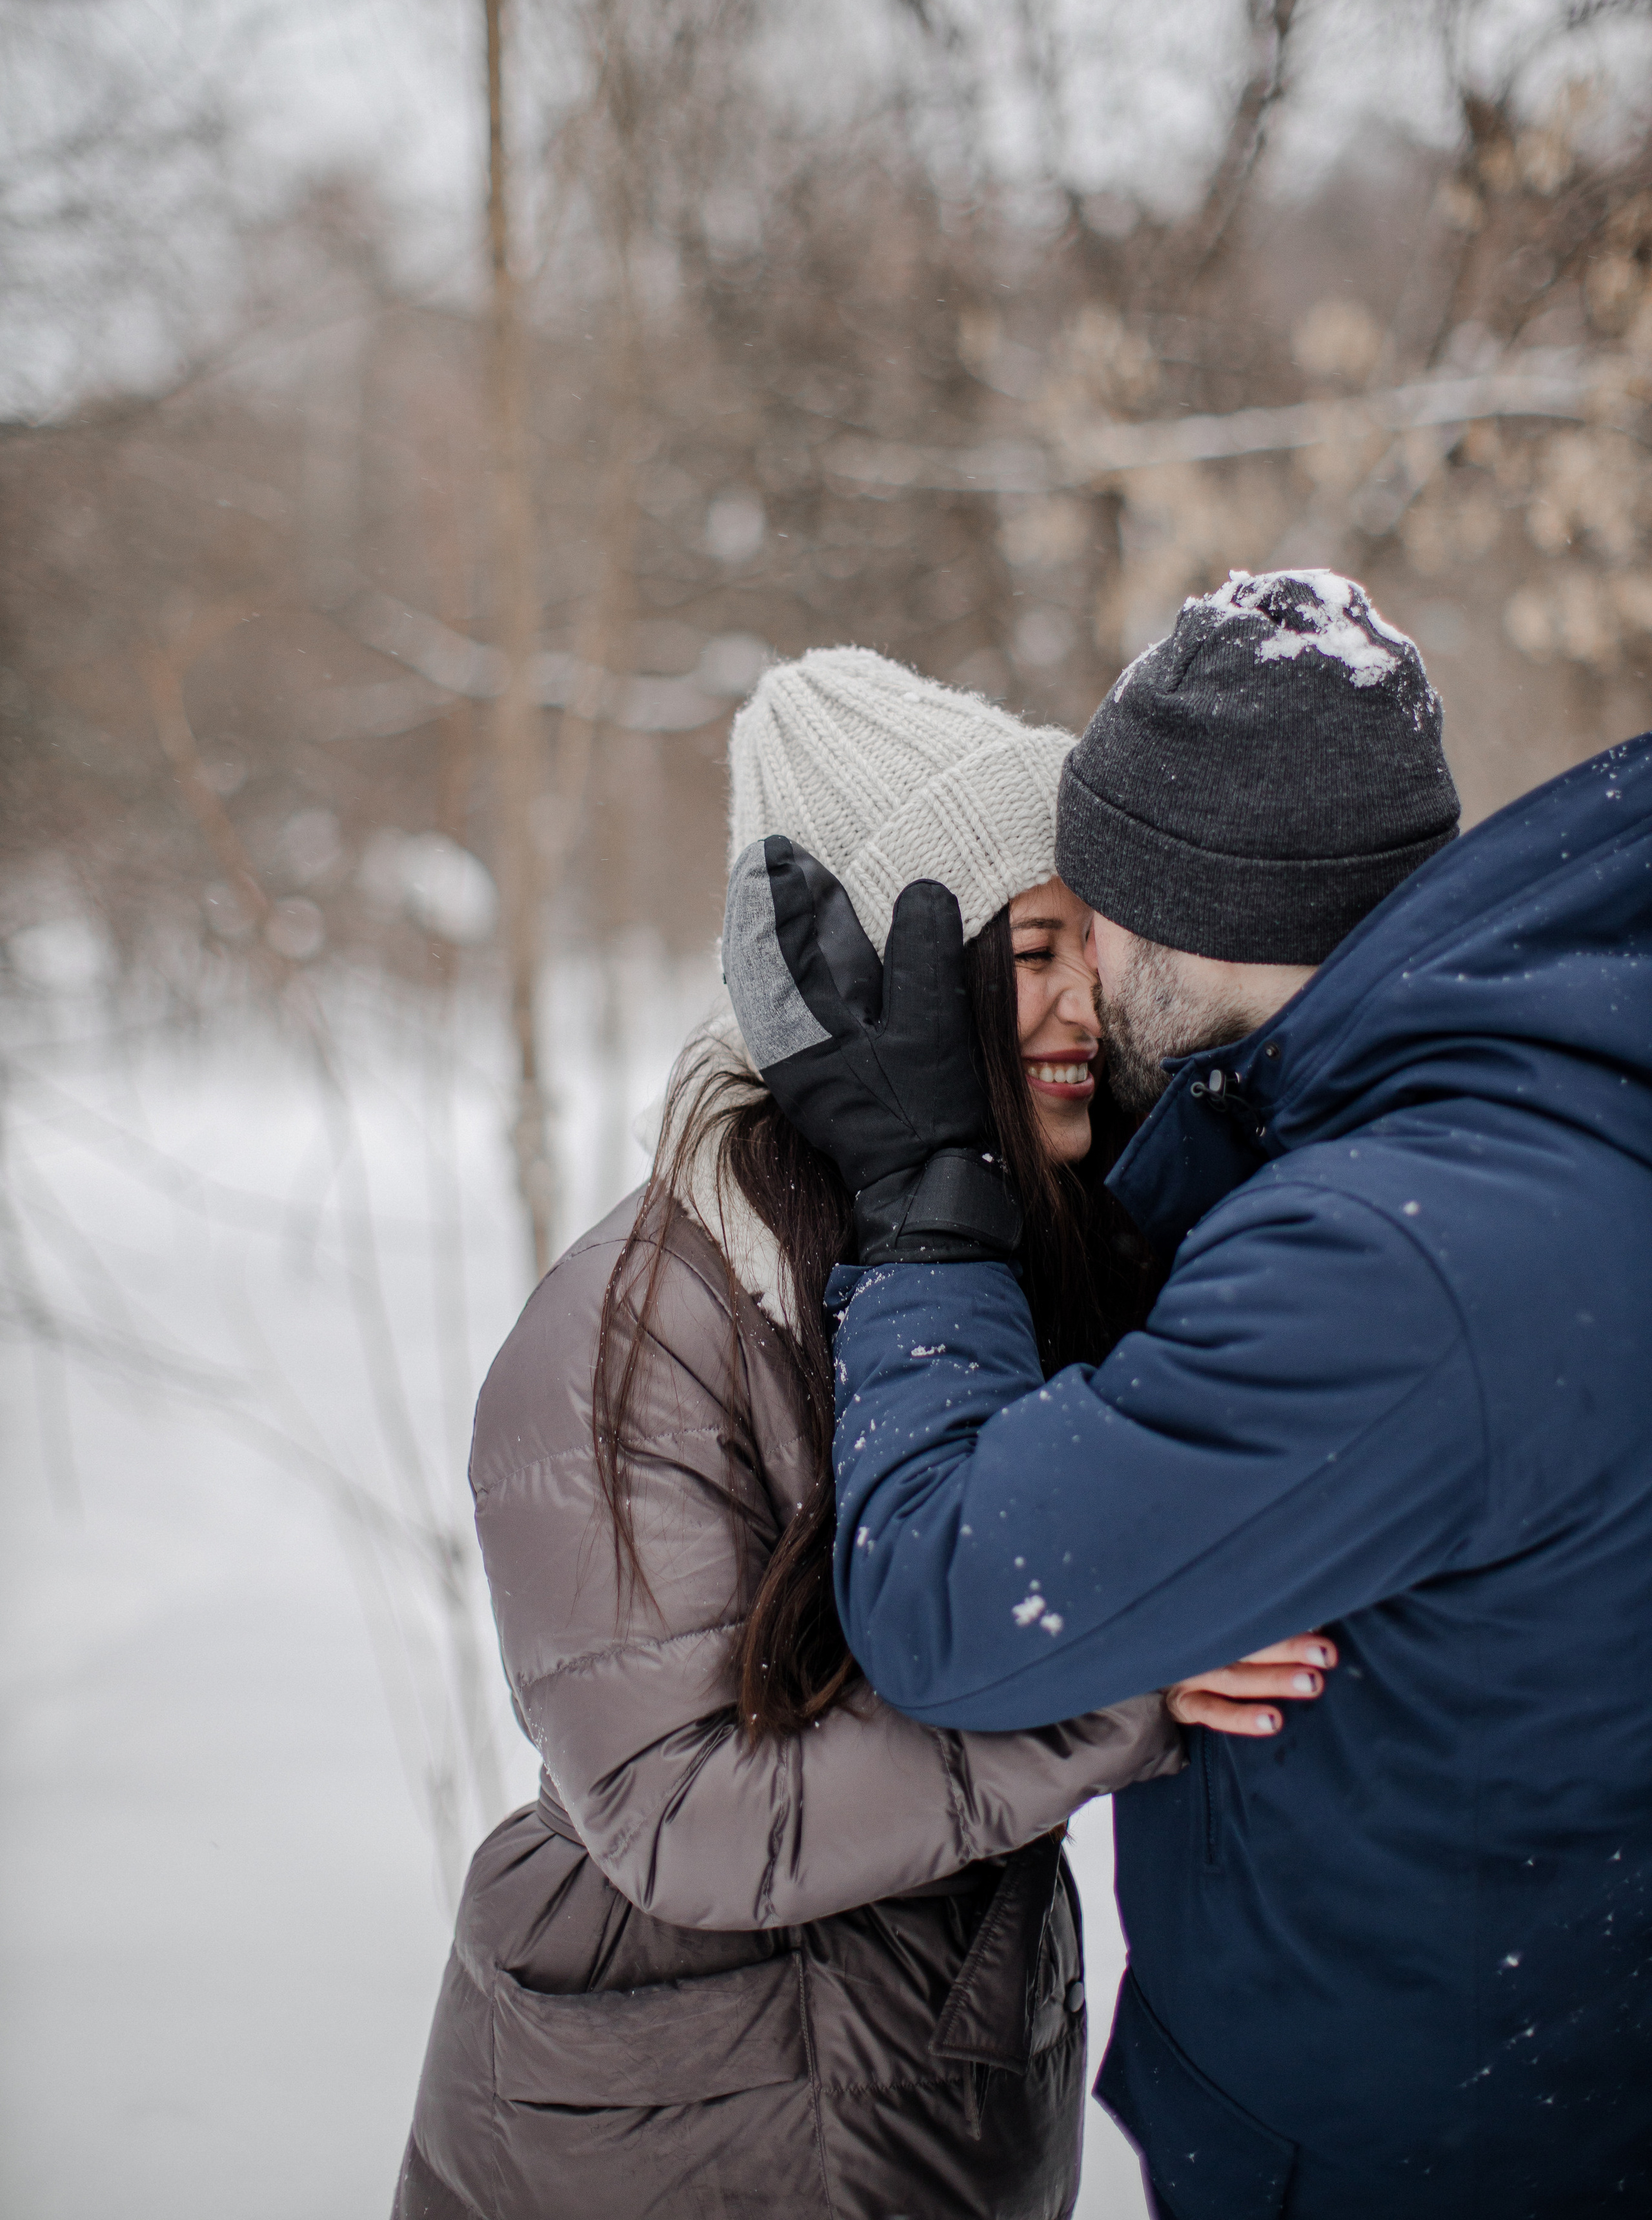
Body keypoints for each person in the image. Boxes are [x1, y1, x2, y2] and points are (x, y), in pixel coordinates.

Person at [722, 574, 1652, 2220]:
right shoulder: (1514, 1102)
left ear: (1183, 910)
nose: (1078, 979)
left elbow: (947, 1597)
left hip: (1414, 2151)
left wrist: (926, 1207)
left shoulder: (1386, 1260)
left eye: (1088, 918)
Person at [392, 647, 1333, 2220]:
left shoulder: (1030, 1254)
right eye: (1029, 952)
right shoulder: (637, 1329)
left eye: (1090, 946)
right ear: (896, 990)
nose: (1084, 1001)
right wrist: (1121, 1690)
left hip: (928, 2081)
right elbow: (679, 1818)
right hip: (669, 2127)